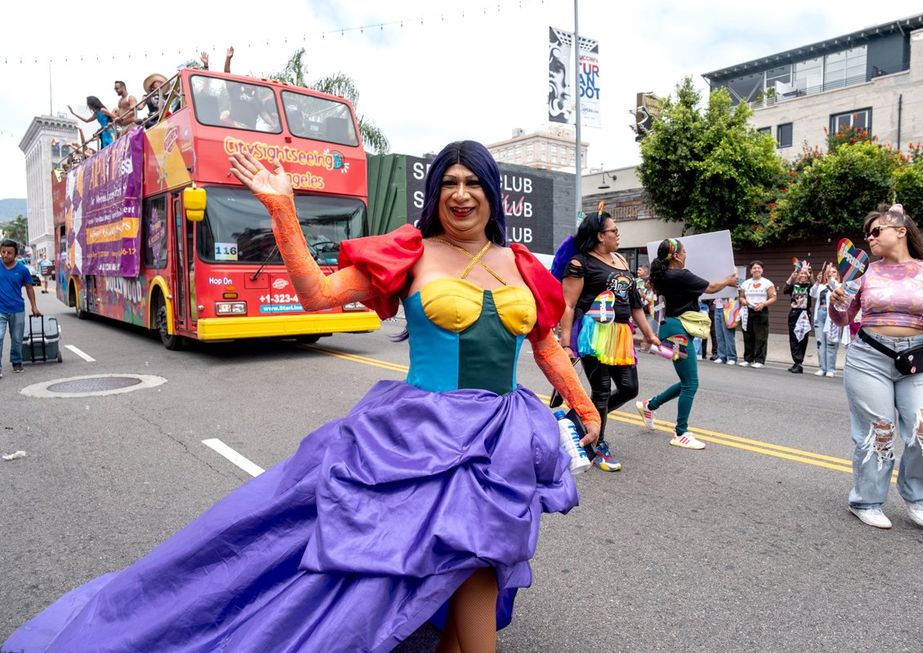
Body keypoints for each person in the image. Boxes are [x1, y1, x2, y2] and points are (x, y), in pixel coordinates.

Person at [3, 140, 602, 653]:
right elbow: (317, 294)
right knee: (436, 557)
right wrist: (282, 211)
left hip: (499, 434)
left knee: (479, 557)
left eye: (473, 183)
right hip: (424, 435)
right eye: (449, 182)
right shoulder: (411, 254)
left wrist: (584, 406)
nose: (461, 194)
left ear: (493, 193)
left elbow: (545, 346)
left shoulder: (521, 265)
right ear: (435, 193)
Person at [829, 203, 923, 529]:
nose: (870, 238)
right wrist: (837, 303)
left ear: (900, 231)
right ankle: (866, 501)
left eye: (876, 231)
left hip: (916, 359)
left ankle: (916, 494)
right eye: (867, 234)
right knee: (879, 433)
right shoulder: (865, 272)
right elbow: (842, 318)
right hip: (869, 358)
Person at [554, 210, 660, 472]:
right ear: (600, 236)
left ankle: (581, 421)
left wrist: (649, 334)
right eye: (614, 230)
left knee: (629, 388)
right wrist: (566, 344)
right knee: (601, 391)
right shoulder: (580, 263)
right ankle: (597, 444)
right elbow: (568, 304)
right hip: (593, 333)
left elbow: (635, 304)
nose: (618, 234)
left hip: (621, 334)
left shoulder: (621, 261)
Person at [636, 238, 737, 449]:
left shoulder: (661, 276)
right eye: (683, 252)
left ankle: (649, 406)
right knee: (691, 383)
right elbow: (711, 288)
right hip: (678, 331)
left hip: (670, 328)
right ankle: (680, 433)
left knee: (686, 381)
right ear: (676, 255)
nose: (685, 255)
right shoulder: (680, 275)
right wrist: (728, 281)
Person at [0, 239, 42, 379]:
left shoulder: (22, 270)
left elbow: (29, 288)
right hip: (0, 310)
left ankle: (16, 361)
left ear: (16, 254)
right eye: (3, 252)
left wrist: (34, 306)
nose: (5, 255)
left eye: (9, 253)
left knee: (17, 338)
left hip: (17, 309)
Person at [738, 261, 776, 368]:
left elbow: (773, 297)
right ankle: (748, 359)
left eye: (759, 268)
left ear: (762, 270)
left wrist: (763, 304)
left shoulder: (767, 283)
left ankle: (759, 360)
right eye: (754, 268)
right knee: (747, 335)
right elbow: (741, 296)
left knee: (761, 336)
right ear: (751, 270)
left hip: (761, 311)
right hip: (748, 311)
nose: (756, 270)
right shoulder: (746, 283)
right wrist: (743, 301)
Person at [811, 263, 842, 377]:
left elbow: (835, 287)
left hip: (832, 316)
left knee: (831, 343)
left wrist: (829, 277)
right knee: (820, 343)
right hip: (820, 314)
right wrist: (817, 281)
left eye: (834, 272)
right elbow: (812, 293)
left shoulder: (839, 285)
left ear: (837, 275)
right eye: (829, 272)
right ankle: (822, 368)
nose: (831, 273)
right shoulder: (821, 286)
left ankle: (831, 369)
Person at [783, 260, 813, 374]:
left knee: (803, 338)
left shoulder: (810, 287)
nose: (803, 275)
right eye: (801, 273)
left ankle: (799, 362)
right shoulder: (794, 285)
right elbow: (785, 290)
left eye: (805, 274)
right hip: (794, 313)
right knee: (793, 338)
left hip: (804, 313)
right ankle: (796, 362)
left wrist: (810, 275)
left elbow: (815, 288)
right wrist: (792, 275)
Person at [712, 296, 738, 364]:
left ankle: (732, 357)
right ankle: (721, 356)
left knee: (728, 335)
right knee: (719, 335)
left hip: (728, 307)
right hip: (718, 307)